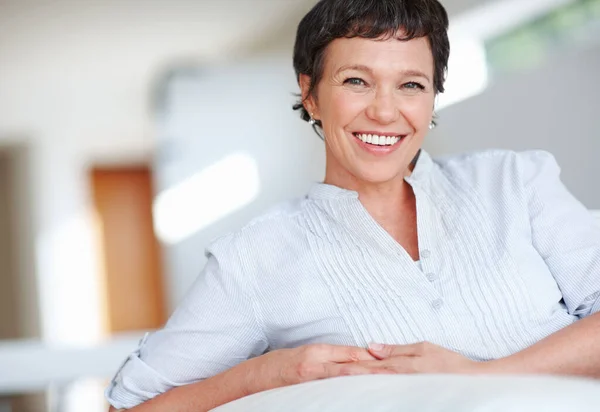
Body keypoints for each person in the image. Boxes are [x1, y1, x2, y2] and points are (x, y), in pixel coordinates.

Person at [106, 0, 600, 410]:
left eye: (411, 84)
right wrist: (263, 373)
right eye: (356, 81)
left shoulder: (514, 182)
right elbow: (129, 406)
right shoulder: (255, 260)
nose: (385, 111)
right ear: (311, 95)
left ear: (432, 100)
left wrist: (485, 376)